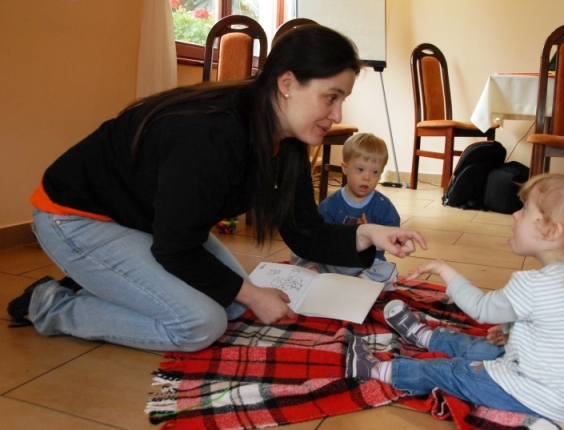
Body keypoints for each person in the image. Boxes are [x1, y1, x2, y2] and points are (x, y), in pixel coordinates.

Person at [7, 25, 427, 352]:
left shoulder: (289, 143)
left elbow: (306, 233)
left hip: (145, 221)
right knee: (199, 324)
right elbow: (175, 248)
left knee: (231, 303)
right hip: (75, 218)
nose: (337, 114)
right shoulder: (213, 134)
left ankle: (106, 279)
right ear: (286, 83)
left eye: (342, 100)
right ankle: (51, 305)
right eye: (330, 97)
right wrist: (255, 294)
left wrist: (370, 233)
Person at [345, 173, 564, 426]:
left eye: (525, 210)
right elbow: (557, 328)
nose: (515, 214)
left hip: (536, 396)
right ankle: (426, 337)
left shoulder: (534, 285)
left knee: (451, 372)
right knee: (488, 346)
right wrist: (512, 329)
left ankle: (377, 370)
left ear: (551, 231)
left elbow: (482, 309)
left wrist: (445, 269)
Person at [291, 133, 400, 288]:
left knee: (389, 270)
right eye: (360, 169)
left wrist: (372, 235)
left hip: (366, 265)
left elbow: (393, 240)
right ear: (345, 168)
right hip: (332, 263)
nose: (367, 177)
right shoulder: (330, 204)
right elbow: (317, 238)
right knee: (298, 250)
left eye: (375, 172)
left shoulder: (384, 207)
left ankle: (361, 282)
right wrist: (350, 233)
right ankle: (312, 274)